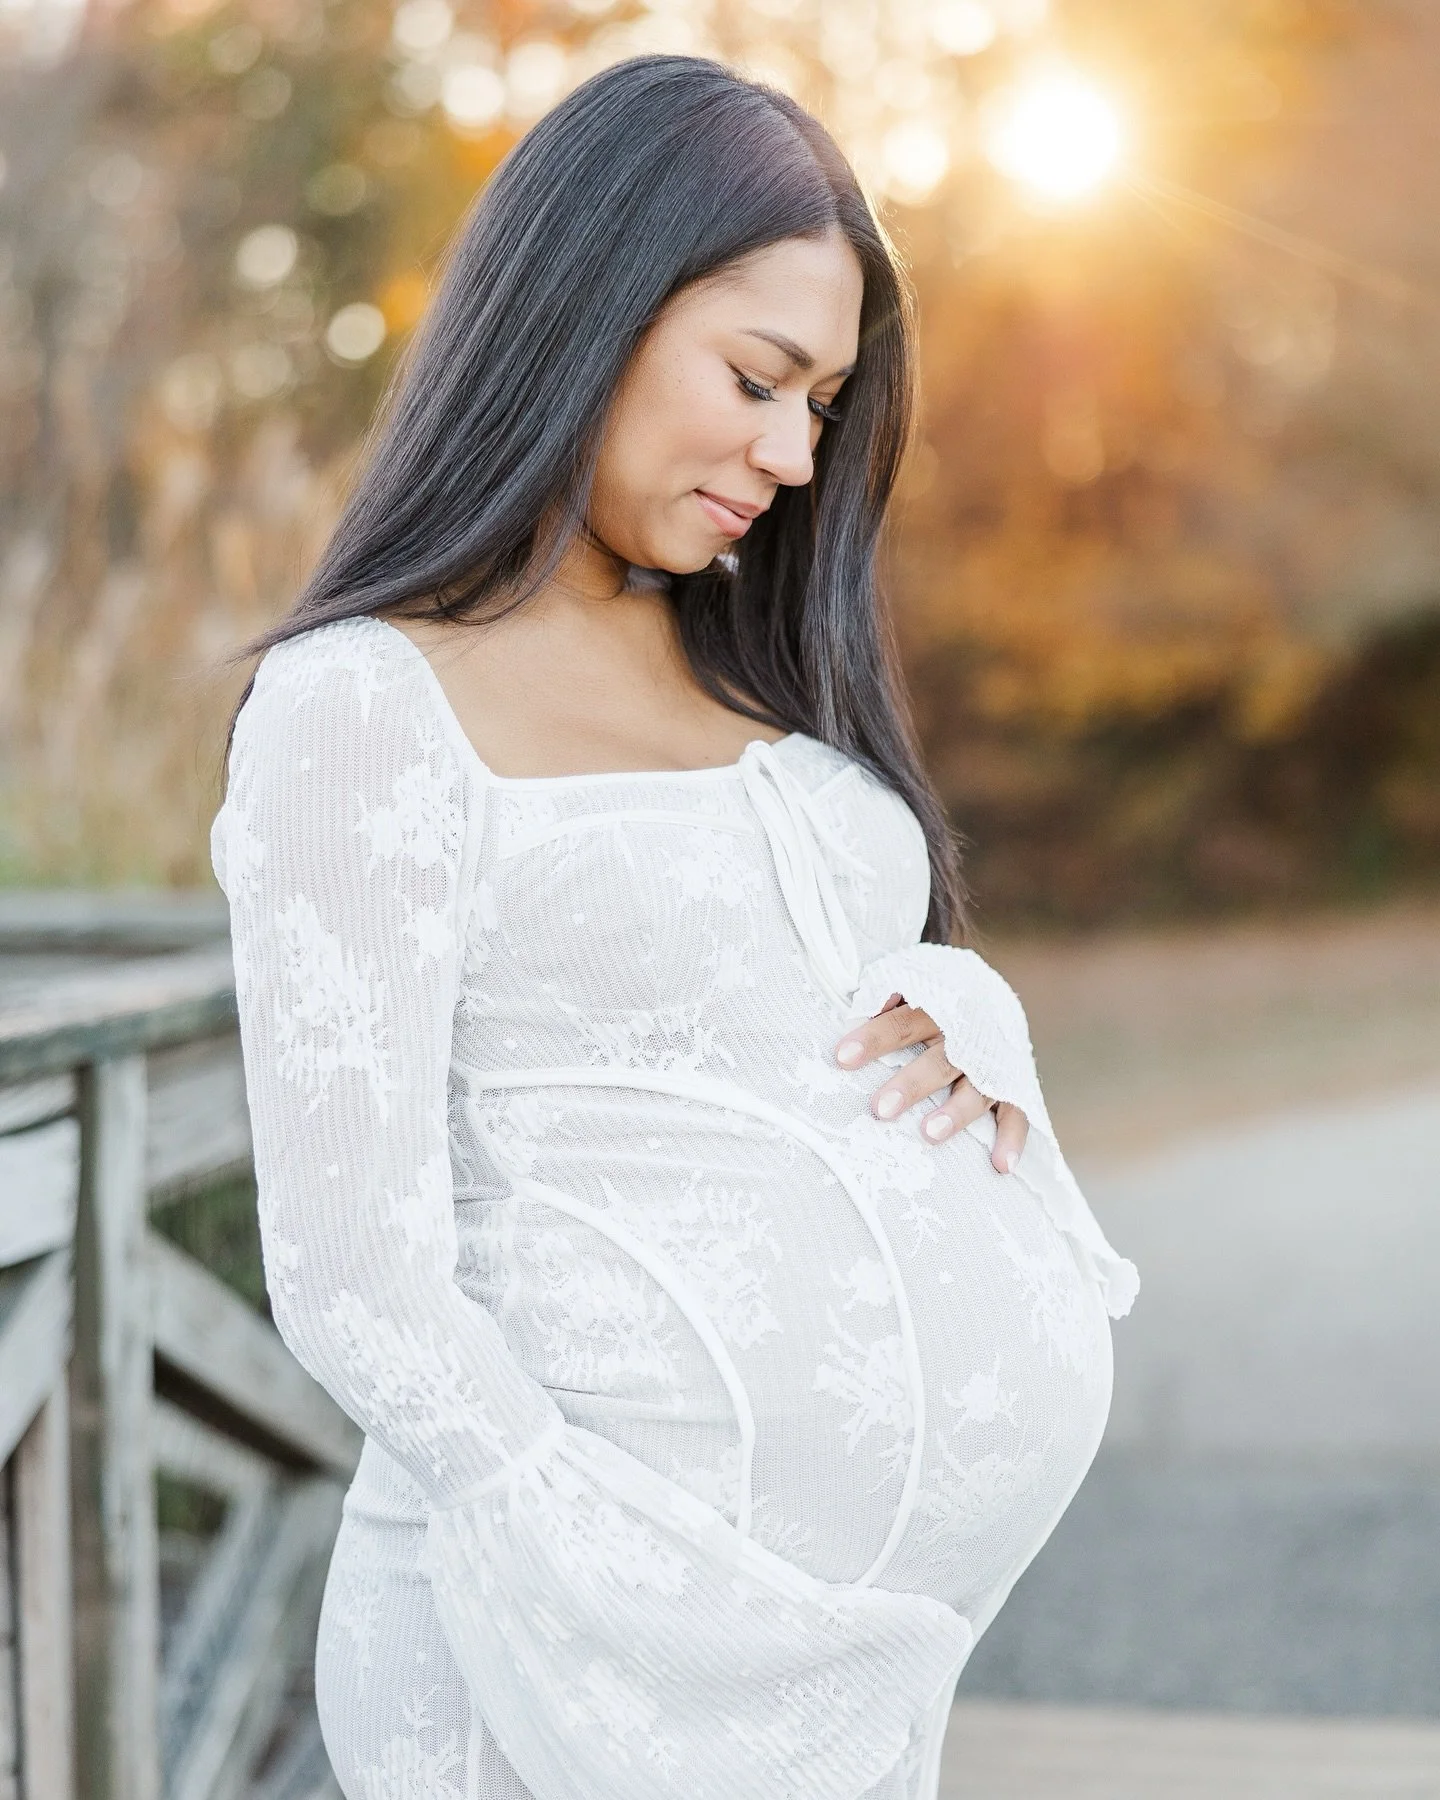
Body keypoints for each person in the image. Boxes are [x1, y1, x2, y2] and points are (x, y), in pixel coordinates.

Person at [212, 53, 1137, 1800]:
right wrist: (625, 1596)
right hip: (574, 1651)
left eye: (826, 406)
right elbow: (354, 1271)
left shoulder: (749, 668)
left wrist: (960, 1017)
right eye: (759, 379)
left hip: (833, 1672)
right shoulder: (367, 709)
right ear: (587, 307)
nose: (795, 455)